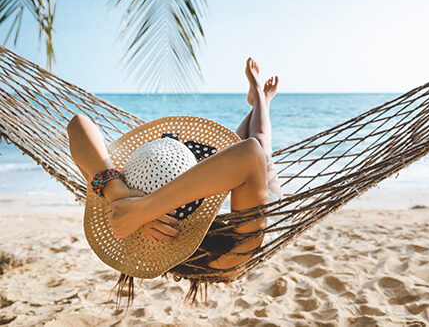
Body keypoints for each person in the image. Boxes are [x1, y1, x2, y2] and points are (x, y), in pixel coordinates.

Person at [67, 58, 281, 272]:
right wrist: (144, 210)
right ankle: (262, 99)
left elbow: (77, 125)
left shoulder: (120, 214)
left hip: (213, 181)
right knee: (261, 141)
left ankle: (259, 99)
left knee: (236, 144)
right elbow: (251, 153)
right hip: (258, 203)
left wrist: (118, 193)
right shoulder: (229, 255)